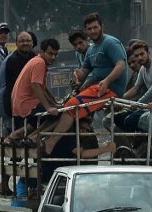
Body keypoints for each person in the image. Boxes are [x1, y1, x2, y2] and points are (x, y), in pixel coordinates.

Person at [42, 12, 127, 156]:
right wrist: (77, 75)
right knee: (63, 106)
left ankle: (52, 141)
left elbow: (121, 65)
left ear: (101, 26)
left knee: (72, 106)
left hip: (109, 88)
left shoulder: (110, 43)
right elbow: (84, 71)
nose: (93, 31)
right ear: (86, 31)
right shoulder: (92, 49)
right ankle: (51, 139)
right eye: (89, 29)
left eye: (95, 27)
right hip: (94, 87)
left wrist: (107, 81)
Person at [9, 38, 61, 142]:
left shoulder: (37, 61)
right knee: (61, 116)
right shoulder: (39, 63)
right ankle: (33, 138)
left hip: (21, 103)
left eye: (55, 54)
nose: (53, 57)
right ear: (42, 52)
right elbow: (35, 86)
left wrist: (54, 103)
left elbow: (43, 88)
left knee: (56, 111)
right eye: (50, 54)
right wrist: (48, 107)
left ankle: (19, 134)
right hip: (26, 103)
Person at [0, 30, 37, 131]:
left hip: (29, 100)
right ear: (16, 44)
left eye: (28, 41)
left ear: (32, 43)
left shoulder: (34, 57)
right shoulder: (13, 60)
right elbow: (24, 86)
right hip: (16, 102)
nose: (25, 43)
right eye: (22, 41)